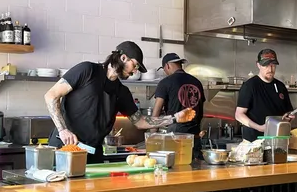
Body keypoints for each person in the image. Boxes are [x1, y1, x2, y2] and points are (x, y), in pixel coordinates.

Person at [45, 41, 195, 163]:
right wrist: (63, 130)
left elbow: (141, 122)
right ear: (123, 58)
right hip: (64, 148)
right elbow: (51, 96)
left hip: (92, 153)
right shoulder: (87, 70)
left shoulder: (121, 92)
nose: (135, 71)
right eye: (135, 65)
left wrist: (174, 118)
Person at [152, 53, 205, 158]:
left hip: (175, 135)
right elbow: (201, 109)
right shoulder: (197, 82)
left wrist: (153, 137)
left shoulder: (165, 82)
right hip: (194, 135)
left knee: (175, 169)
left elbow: (156, 113)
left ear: (167, 66)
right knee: (195, 170)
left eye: (164, 69)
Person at [235, 48, 294, 142]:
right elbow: (239, 115)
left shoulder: (281, 86)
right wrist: (259, 127)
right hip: (254, 142)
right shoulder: (250, 85)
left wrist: (287, 118)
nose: (270, 69)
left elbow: (286, 114)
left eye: (273, 65)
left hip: (278, 140)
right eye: (266, 65)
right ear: (258, 65)